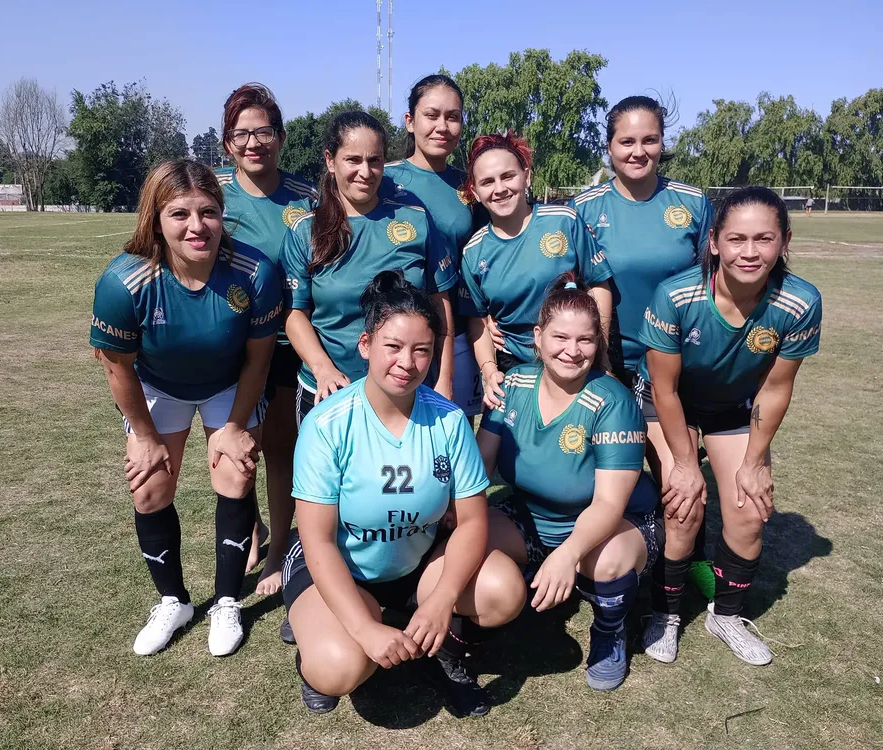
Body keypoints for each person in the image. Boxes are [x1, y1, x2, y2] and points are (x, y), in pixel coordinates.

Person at [282, 271, 525, 716]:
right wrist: (362, 628)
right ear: (365, 346)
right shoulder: (327, 424)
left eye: (422, 350)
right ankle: (318, 639)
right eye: (393, 347)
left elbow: (473, 521)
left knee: (502, 591)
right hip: (341, 569)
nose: (407, 363)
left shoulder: (450, 421)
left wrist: (442, 599)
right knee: (338, 667)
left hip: (416, 564)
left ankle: (448, 652)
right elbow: (316, 538)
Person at [90, 160, 282, 657]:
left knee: (235, 476)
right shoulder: (122, 282)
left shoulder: (255, 272)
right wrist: (145, 434)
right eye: (179, 214)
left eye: (209, 212)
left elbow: (258, 361)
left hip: (228, 385)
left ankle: (225, 602)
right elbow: (118, 369)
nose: (197, 226)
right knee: (150, 488)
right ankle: (173, 601)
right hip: (159, 387)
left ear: (222, 215)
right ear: (155, 219)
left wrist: (236, 425)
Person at [638, 186, 822, 666]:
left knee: (747, 511)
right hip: (668, 404)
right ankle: (666, 612)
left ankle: (727, 614)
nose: (750, 251)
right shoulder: (676, 294)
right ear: (715, 242)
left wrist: (756, 461)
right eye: (737, 238)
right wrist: (684, 462)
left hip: (733, 410)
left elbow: (776, 388)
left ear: (784, 241)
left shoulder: (800, 302)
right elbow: (664, 389)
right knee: (685, 505)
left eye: (764, 239)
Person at [478, 271, 662, 691]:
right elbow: (479, 470)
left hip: (611, 526)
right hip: (532, 516)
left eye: (585, 340)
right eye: (560, 338)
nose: (572, 351)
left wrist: (568, 554)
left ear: (598, 344)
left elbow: (609, 506)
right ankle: (480, 616)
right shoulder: (512, 387)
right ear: (538, 338)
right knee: (468, 532)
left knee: (604, 561)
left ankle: (610, 632)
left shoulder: (613, 401)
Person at [573, 95, 715, 594]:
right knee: (609, 469)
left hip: (672, 366)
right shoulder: (583, 209)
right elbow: (562, 282)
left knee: (677, 466)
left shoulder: (692, 203)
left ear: (662, 143)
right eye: (626, 141)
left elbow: (715, 282)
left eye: (649, 140)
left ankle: (682, 564)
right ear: (608, 146)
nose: (638, 151)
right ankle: (603, 561)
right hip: (606, 364)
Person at [280, 111, 457, 426]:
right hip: (331, 390)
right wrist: (323, 369)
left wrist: (443, 379)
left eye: (374, 160)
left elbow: (440, 306)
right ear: (330, 160)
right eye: (353, 160)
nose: (365, 171)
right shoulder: (306, 230)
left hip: (408, 389)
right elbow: (295, 314)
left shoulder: (414, 219)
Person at [216, 83, 318, 596]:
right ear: (227, 141)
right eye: (242, 133)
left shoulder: (308, 197)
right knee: (236, 443)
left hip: (283, 345)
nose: (254, 142)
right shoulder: (211, 193)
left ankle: (279, 546)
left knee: (279, 449)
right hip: (226, 343)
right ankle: (250, 524)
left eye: (264, 131)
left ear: (279, 136)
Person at [457, 131, 613, 410]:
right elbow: (477, 320)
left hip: (575, 360)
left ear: (526, 176)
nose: (499, 188)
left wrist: (599, 352)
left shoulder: (564, 221)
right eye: (487, 182)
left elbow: (599, 285)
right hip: (517, 368)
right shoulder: (473, 252)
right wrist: (489, 370)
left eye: (508, 176)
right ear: (475, 191)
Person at [381, 74, 486, 419]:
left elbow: (489, 255)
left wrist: (489, 314)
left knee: (449, 436)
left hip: (456, 337)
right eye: (432, 115)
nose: (443, 126)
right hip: (394, 335)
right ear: (410, 122)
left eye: (452, 117)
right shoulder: (383, 179)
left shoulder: (471, 185)